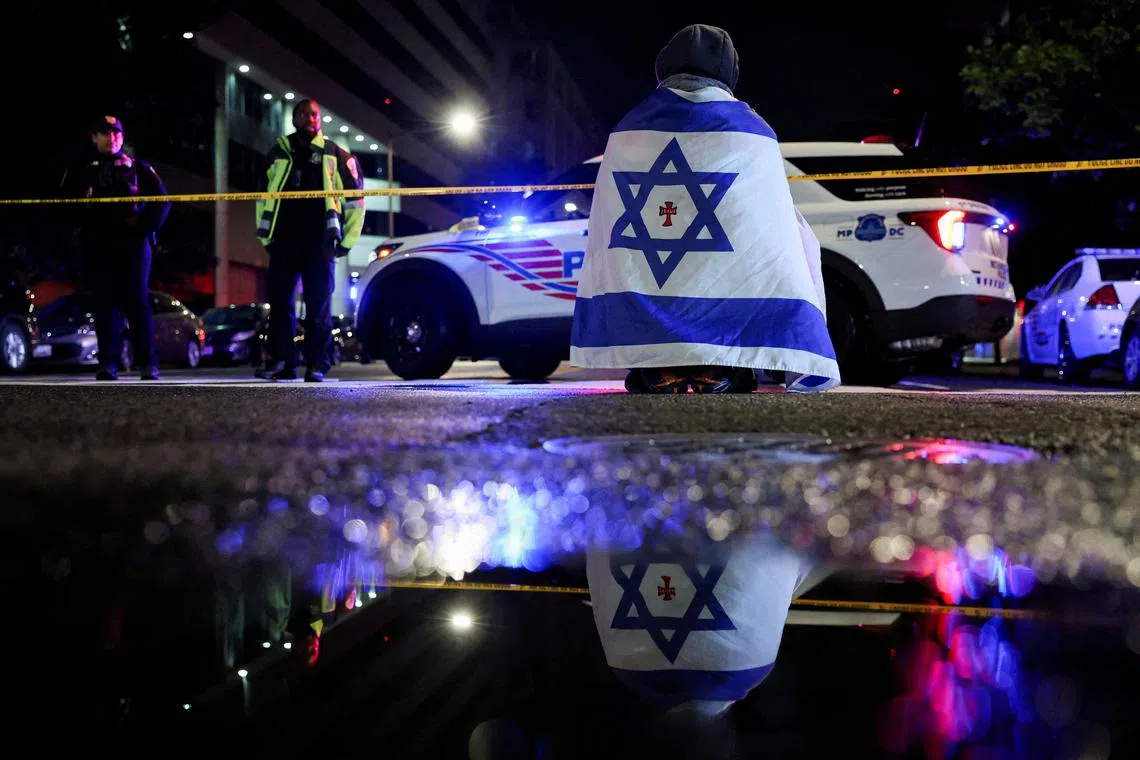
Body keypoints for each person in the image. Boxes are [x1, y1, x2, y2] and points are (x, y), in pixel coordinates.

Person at [570, 25, 840, 394]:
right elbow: (768, 228)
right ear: (728, 75)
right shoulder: (753, 132)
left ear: (662, 70)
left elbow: (608, 224)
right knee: (798, 236)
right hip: (727, 329)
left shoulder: (628, 129)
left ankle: (664, 365)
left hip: (653, 322)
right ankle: (717, 366)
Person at [254, 98, 365, 382]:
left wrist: (346, 242)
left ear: (321, 119)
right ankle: (283, 363)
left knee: (319, 306)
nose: (309, 118)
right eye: (302, 114)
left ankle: (318, 364)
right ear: (294, 120)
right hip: (283, 240)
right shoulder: (278, 152)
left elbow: (355, 202)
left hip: (320, 241)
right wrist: (266, 235)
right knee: (279, 304)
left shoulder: (337, 155)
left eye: (313, 114)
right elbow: (262, 196)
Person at [60, 115, 171, 380]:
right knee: (104, 302)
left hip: (132, 243)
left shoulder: (137, 167)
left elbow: (163, 201)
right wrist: (81, 226)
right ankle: (108, 363)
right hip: (97, 243)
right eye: (105, 133)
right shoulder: (81, 168)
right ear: (94, 137)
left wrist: (143, 226)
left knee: (136, 302)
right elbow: (63, 203)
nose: (112, 138)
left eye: (116, 133)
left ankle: (147, 363)